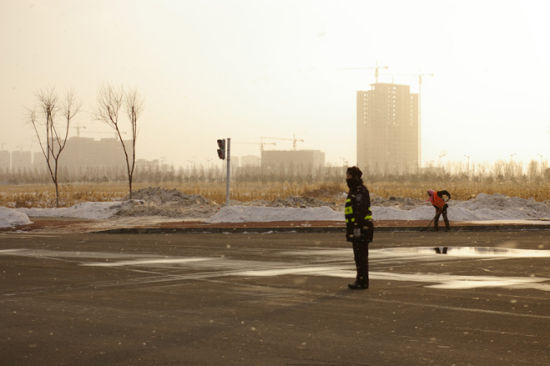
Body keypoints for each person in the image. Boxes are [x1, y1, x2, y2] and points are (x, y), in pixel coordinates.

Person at [345, 166, 374, 290]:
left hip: (361, 228)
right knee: (358, 256)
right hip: (357, 227)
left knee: (361, 256)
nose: (347, 178)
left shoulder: (359, 191)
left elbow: (360, 211)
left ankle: (362, 281)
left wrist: (356, 228)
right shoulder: (354, 190)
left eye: (349, 176)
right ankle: (360, 279)